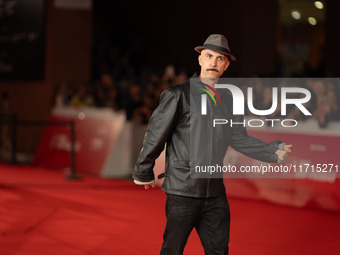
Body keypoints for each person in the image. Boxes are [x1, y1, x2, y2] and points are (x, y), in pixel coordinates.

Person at [132, 34, 292, 255]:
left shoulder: (228, 100)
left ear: (226, 65)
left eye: (220, 59)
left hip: (215, 195)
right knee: (172, 250)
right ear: (200, 59)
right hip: (183, 192)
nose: (213, 63)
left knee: (219, 251)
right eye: (208, 56)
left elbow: (238, 138)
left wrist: (270, 151)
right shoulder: (177, 95)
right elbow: (155, 135)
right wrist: (143, 171)